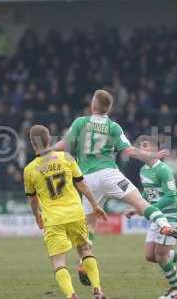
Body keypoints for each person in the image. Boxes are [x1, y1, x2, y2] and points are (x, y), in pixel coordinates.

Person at [50, 89, 177, 285]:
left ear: (93, 104)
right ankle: (164, 225)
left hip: (88, 179)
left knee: (89, 225)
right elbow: (130, 151)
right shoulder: (113, 127)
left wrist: (45, 151)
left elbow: (65, 144)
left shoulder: (80, 122)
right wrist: (152, 156)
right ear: (109, 108)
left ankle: (84, 261)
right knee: (140, 203)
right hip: (110, 174)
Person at [24, 124, 108, 299]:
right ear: (49, 140)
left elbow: (32, 199)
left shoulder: (30, 169)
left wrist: (36, 215)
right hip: (75, 214)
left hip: (53, 219)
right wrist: (95, 205)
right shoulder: (67, 158)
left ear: (33, 145)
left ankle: (71, 295)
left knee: (58, 261)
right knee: (85, 250)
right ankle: (97, 290)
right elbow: (82, 184)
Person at [125, 136, 177, 299]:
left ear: (154, 150)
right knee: (150, 256)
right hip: (156, 217)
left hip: (170, 216)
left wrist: (150, 210)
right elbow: (147, 193)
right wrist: (137, 208)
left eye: (145, 146)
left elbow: (171, 196)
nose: (141, 150)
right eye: (140, 147)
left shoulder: (163, 169)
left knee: (160, 255)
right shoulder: (143, 170)